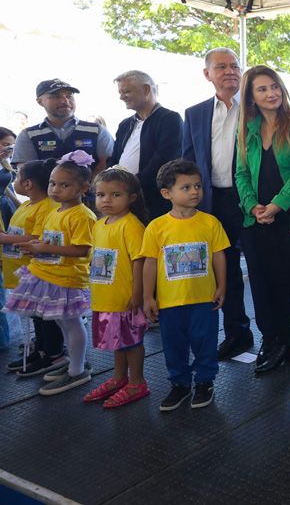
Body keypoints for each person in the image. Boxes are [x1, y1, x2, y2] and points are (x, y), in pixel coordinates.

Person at [235, 66, 290, 376]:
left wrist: (276, 205)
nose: (271, 93)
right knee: (273, 284)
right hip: (259, 218)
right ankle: (282, 344)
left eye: (274, 86)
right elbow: (241, 173)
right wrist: (252, 206)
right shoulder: (247, 129)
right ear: (251, 97)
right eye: (262, 89)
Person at [4, 151, 99, 395]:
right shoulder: (56, 211)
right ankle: (70, 362)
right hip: (47, 275)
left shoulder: (82, 215)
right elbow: (46, 240)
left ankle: (77, 370)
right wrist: (37, 248)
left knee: (72, 323)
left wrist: (43, 247)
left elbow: (82, 250)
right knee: (61, 323)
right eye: (53, 184)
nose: (56, 189)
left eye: (64, 185)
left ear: (83, 188)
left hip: (66, 279)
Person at [181, 48, 254, 360]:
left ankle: (277, 334)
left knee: (263, 269)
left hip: (250, 201)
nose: (230, 72)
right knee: (224, 272)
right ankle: (238, 333)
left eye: (235, 66)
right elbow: (187, 158)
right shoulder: (194, 113)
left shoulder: (256, 107)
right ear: (207, 74)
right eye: (221, 66)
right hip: (212, 203)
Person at [142, 159, 229, 411]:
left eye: (198, 186)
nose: (194, 192)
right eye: (186, 187)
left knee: (205, 342)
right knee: (173, 345)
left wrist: (222, 286)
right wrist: (148, 297)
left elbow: (218, 256)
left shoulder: (210, 223)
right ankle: (179, 384)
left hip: (204, 299)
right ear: (167, 193)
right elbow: (149, 263)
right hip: (170, 303)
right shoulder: (156, 227)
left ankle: (204, 381)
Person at [81, 167, 150, 408]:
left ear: (131, 197)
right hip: (105, 296)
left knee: (131, 341)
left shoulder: (132, 226)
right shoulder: (99, 225)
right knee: (117, 341)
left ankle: (137, 381)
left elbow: (139, 262)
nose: (106, 200)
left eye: (115, 195)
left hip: (125, 298)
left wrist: (137, 294)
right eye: (101, 195)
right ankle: (119, 378)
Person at [2, 160, 60, 371]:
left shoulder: (46, 208)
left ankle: (53, 352)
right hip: (24, 271)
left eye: (17, 177)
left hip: (38, 272)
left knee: (46, 315)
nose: (14, 181)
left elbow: (35, 237)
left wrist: (3, 238)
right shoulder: (27, 204)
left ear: (28, 184)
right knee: (35, 314)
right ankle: (40, 348)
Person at [110, 70, 183, 220]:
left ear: (146, 89)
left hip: (152, 200)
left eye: (126, 91)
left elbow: (164, 159)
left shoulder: (169, 119)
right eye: (120, 92)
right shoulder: (125, 124)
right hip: (123, 199)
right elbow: (115, 157)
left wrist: (131, 186)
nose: (121, 96)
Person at [12, 79, 114, 179]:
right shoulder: (28, 135)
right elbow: (25, 172)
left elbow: (107, 164)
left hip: (90, 193)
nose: (65, 101)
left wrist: (88, 187)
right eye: (56, 96)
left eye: (69, 96)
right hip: (45, 195)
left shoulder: (97, 131)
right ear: (40, 101)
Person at [0, 128, 18, 227]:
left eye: (12, 145)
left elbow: (6, 186)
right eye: (5, 145)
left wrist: (18, 204)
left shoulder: (4, 161)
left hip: (6, 205)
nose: (9, 149)